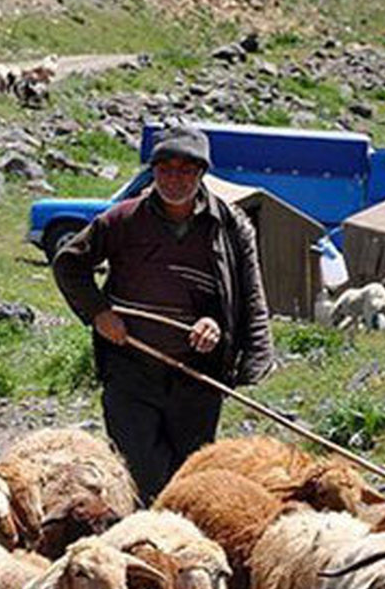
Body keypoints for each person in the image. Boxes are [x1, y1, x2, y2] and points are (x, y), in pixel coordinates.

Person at [52, 124, 274, 501]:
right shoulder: (123, 219)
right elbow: (69, 264)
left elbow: (248, 294)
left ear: (202, 173)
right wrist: (100, 313)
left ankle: (177, 548)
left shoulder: (229, 226)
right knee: (142, 472)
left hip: (196, 376)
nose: (174, 179)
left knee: (188, 476)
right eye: (165, 169)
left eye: (186, 170)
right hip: (131, 370)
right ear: (153, 171)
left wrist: (218, 327)